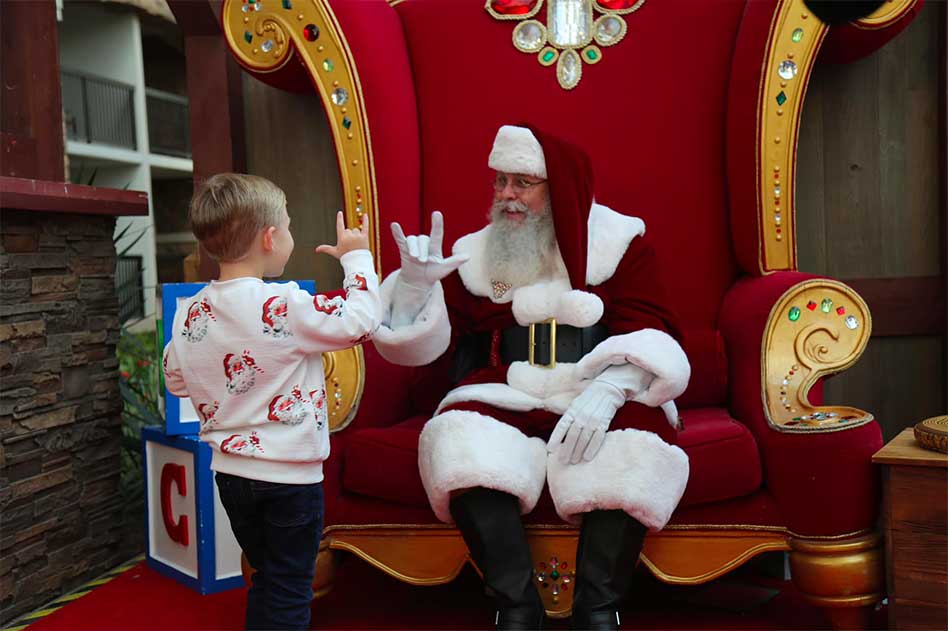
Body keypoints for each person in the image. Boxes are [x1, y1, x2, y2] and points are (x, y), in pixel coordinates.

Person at [371, 126, 691, 630]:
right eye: (500, 182)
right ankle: (517, 608)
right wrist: (412, 290)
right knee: (458, 439)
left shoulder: (619, 243)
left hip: (593, 382)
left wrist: (611, 388)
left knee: (638, 443)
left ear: (559, 187)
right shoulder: (477, 253)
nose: (506, 196)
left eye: (523, 183)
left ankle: (598, 609)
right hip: (505, 385)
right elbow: (432, 343)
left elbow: (654, 329)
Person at [162, 173, 380, 630]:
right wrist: (357, 257)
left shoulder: (190, 311)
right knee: (290, 590)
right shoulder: (285, 303)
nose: (290, 235)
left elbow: (176, 379)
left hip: (230, 475)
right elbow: (361, 321)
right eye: (288, 225)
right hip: (289, 479)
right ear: (269, 237)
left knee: (268, 578)